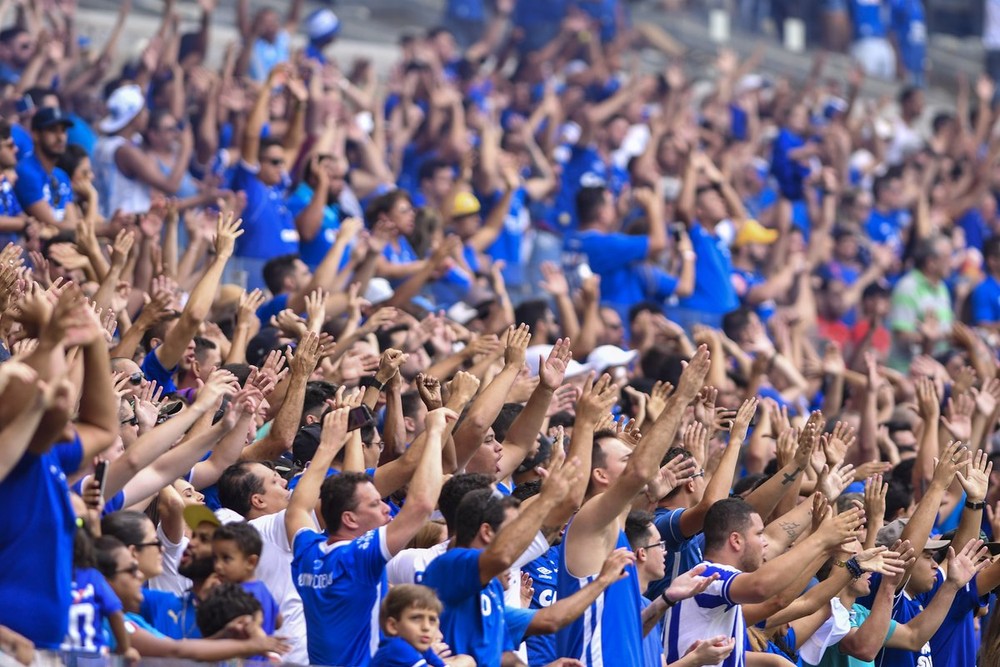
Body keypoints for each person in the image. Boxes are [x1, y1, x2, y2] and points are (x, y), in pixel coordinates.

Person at [286, 405, 454, 667]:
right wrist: (433, 434)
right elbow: (421, 505)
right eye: (375, 504)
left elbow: (297, 508)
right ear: (349, 519)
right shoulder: (359, 556)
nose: (386, 508)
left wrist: (328, 446)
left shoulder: (309, 552)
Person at [372, 584, 471, 667]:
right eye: (416, 618)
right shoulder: (397, 648)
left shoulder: (422, 649)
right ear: (393, 626)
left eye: (432, 620)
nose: (426, 627)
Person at [211, 521, 283, 635]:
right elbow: (278, 622)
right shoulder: (263, 589)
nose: (217, 566)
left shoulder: (234, 595)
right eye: (215, 558)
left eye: (226, 558)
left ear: (251, 562)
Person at [14, 107, 77, 229]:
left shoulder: (61, 175)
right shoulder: (26, 172)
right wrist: (106, 229)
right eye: (53, 130)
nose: (60, 137)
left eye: (63, 131)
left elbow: (73, 223)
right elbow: (52, 225)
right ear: (35, 135)